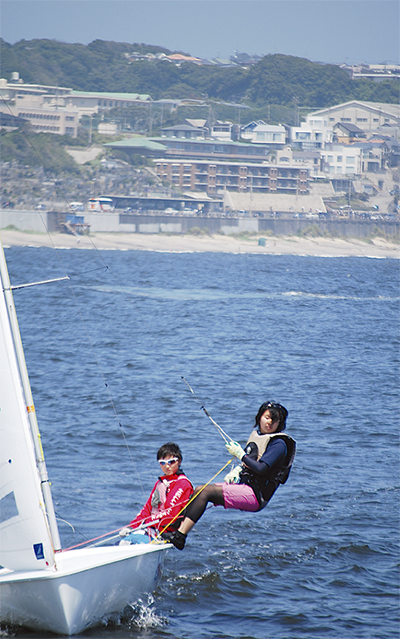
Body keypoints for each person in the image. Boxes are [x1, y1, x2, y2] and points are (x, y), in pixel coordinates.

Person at [163, 401, 296, 550]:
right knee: (198, 491)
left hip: (256, 496)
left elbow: (261, 468)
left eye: (274, 420)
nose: (269, 422)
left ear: (280, 423)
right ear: (259, 417)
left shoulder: (279, 444)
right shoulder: (258, 435)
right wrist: (237, 470)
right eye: (266, 417)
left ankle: (180, 537)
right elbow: (252, 460)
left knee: (205, 492)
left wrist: (240, 454)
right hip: (245, 487)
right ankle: (172, 529)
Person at [119, 442, 193, 544]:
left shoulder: (183, 484)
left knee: (131, 542)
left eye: (171, 462)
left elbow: (171, 514)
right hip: (150, 528)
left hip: (165, 533)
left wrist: (146, 522)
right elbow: (147, 508)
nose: (167, 466)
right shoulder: (160, 483)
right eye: (162, 463)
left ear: (179, 461)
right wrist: (132, 526)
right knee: (123, 542)